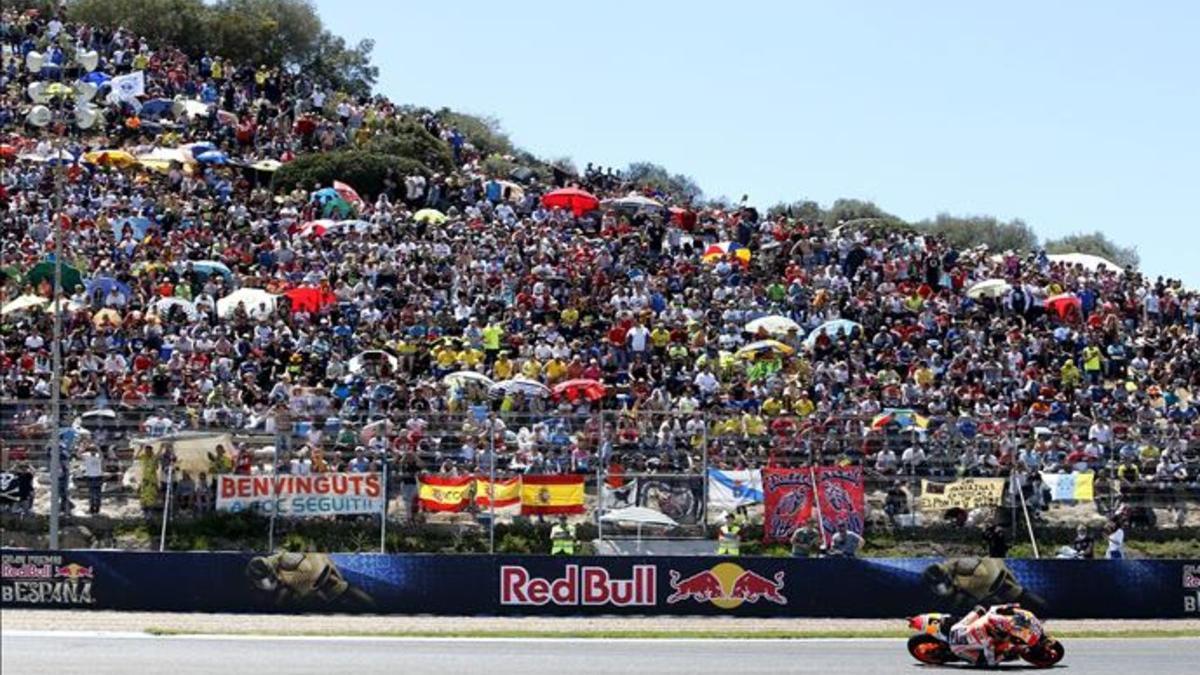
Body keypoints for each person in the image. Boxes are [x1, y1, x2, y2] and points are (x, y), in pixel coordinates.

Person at [948, 604, 1037, 667]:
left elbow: (994, 609)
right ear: (994, 632)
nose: (1006, 636)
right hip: (957, 649)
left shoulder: (989, 618)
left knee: (980, 609)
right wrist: (1004, 655)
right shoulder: (988, 642)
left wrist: (1010, 607)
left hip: (957, 628)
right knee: (982, 662)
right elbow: (991, 662)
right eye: (1003, 634)